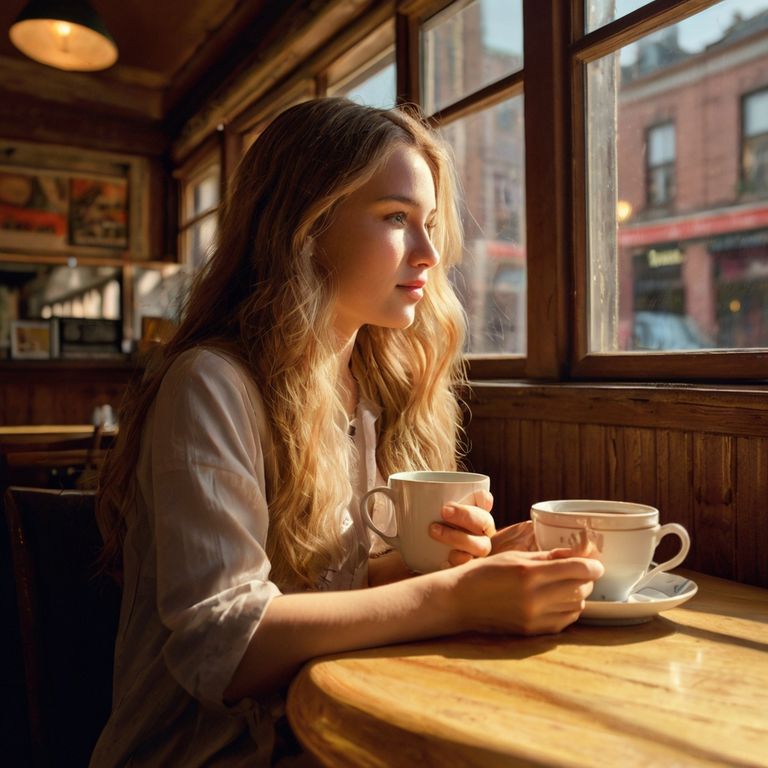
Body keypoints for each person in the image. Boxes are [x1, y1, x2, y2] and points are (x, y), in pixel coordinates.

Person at [90, 97, 603, 768]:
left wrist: (462, 564)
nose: (428, 254)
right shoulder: (212, 383)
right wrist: (454, 598)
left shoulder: (386, 386)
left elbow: (321, 588)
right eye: (395, 218)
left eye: (431, 224)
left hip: (328, 735)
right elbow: (224, 647)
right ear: (304, 226)